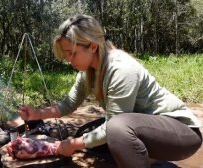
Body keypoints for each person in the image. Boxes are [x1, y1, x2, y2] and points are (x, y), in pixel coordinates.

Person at [18, 14, 202, 168]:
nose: (69, 60)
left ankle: (152, 162)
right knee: (89, 133)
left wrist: (71, 145)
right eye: (66, 54)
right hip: (149, 131)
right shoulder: (89, 71)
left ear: (92, 46)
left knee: (116, 129)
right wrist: (37, 113)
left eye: (71, 53)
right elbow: (69, 103)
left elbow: (114, 124)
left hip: (183, 134)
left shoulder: (120, 67)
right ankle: (147, 160)